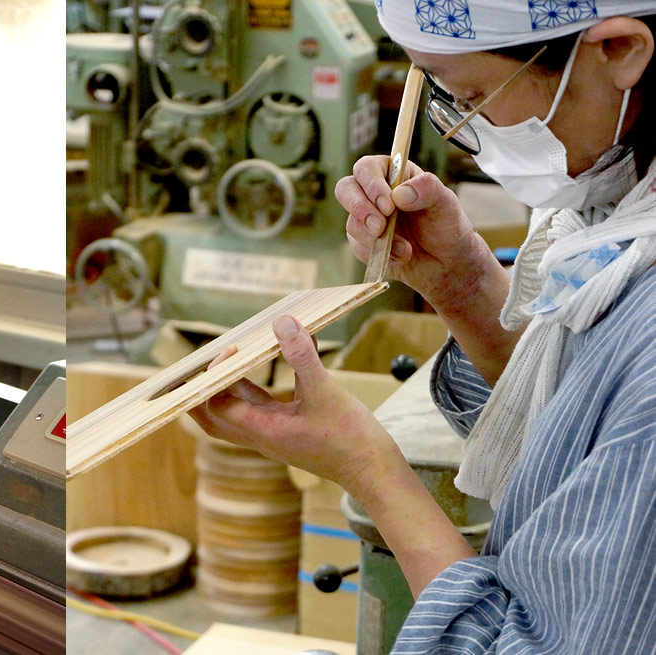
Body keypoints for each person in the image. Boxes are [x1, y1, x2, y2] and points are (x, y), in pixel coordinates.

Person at [190, 2, 656, 653]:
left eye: (468, 96)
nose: (470, 127)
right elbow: (574, 424)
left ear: (619, 51)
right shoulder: (619, 194)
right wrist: (462, 285)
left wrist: (366, 464)